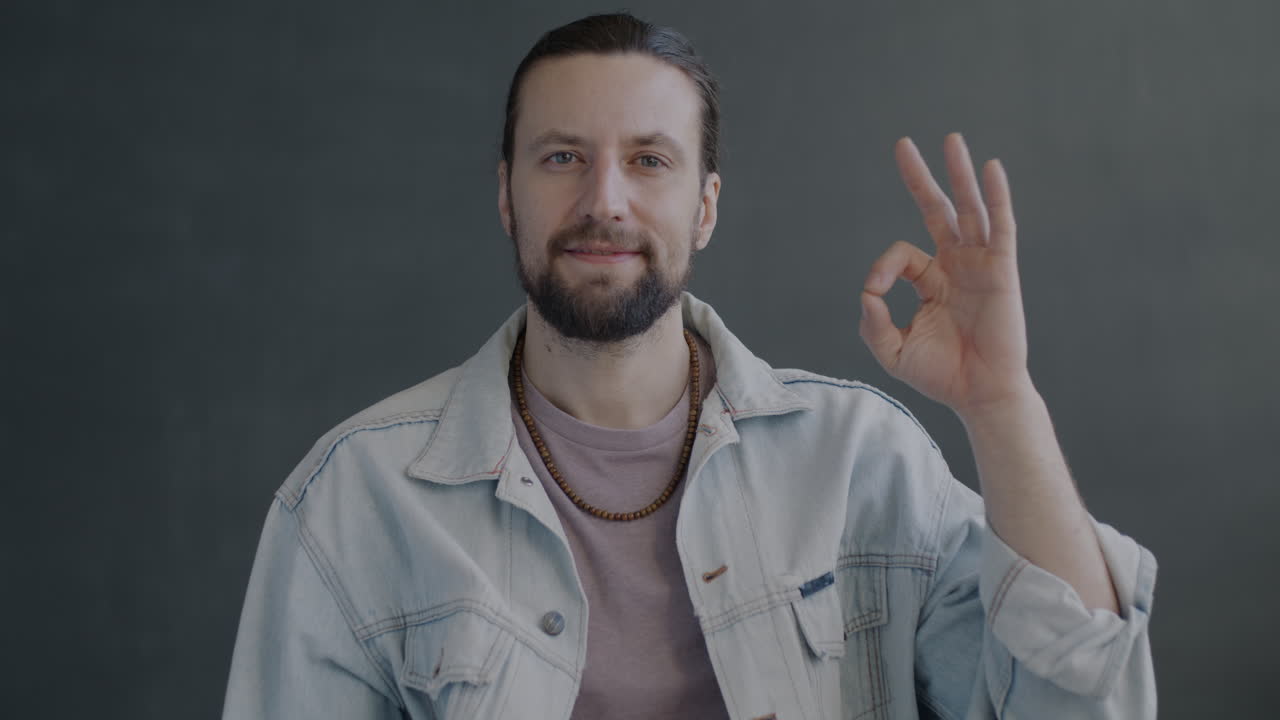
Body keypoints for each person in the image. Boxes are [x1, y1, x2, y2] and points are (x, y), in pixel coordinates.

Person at [223, 12, 1156, 719]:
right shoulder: (355, 501)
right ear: (506, 194)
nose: (605, 200)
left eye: (650, 160)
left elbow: (1080, 702)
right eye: (561, 157)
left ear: (705, 207)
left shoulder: (862, 463)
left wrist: (1002, 402)